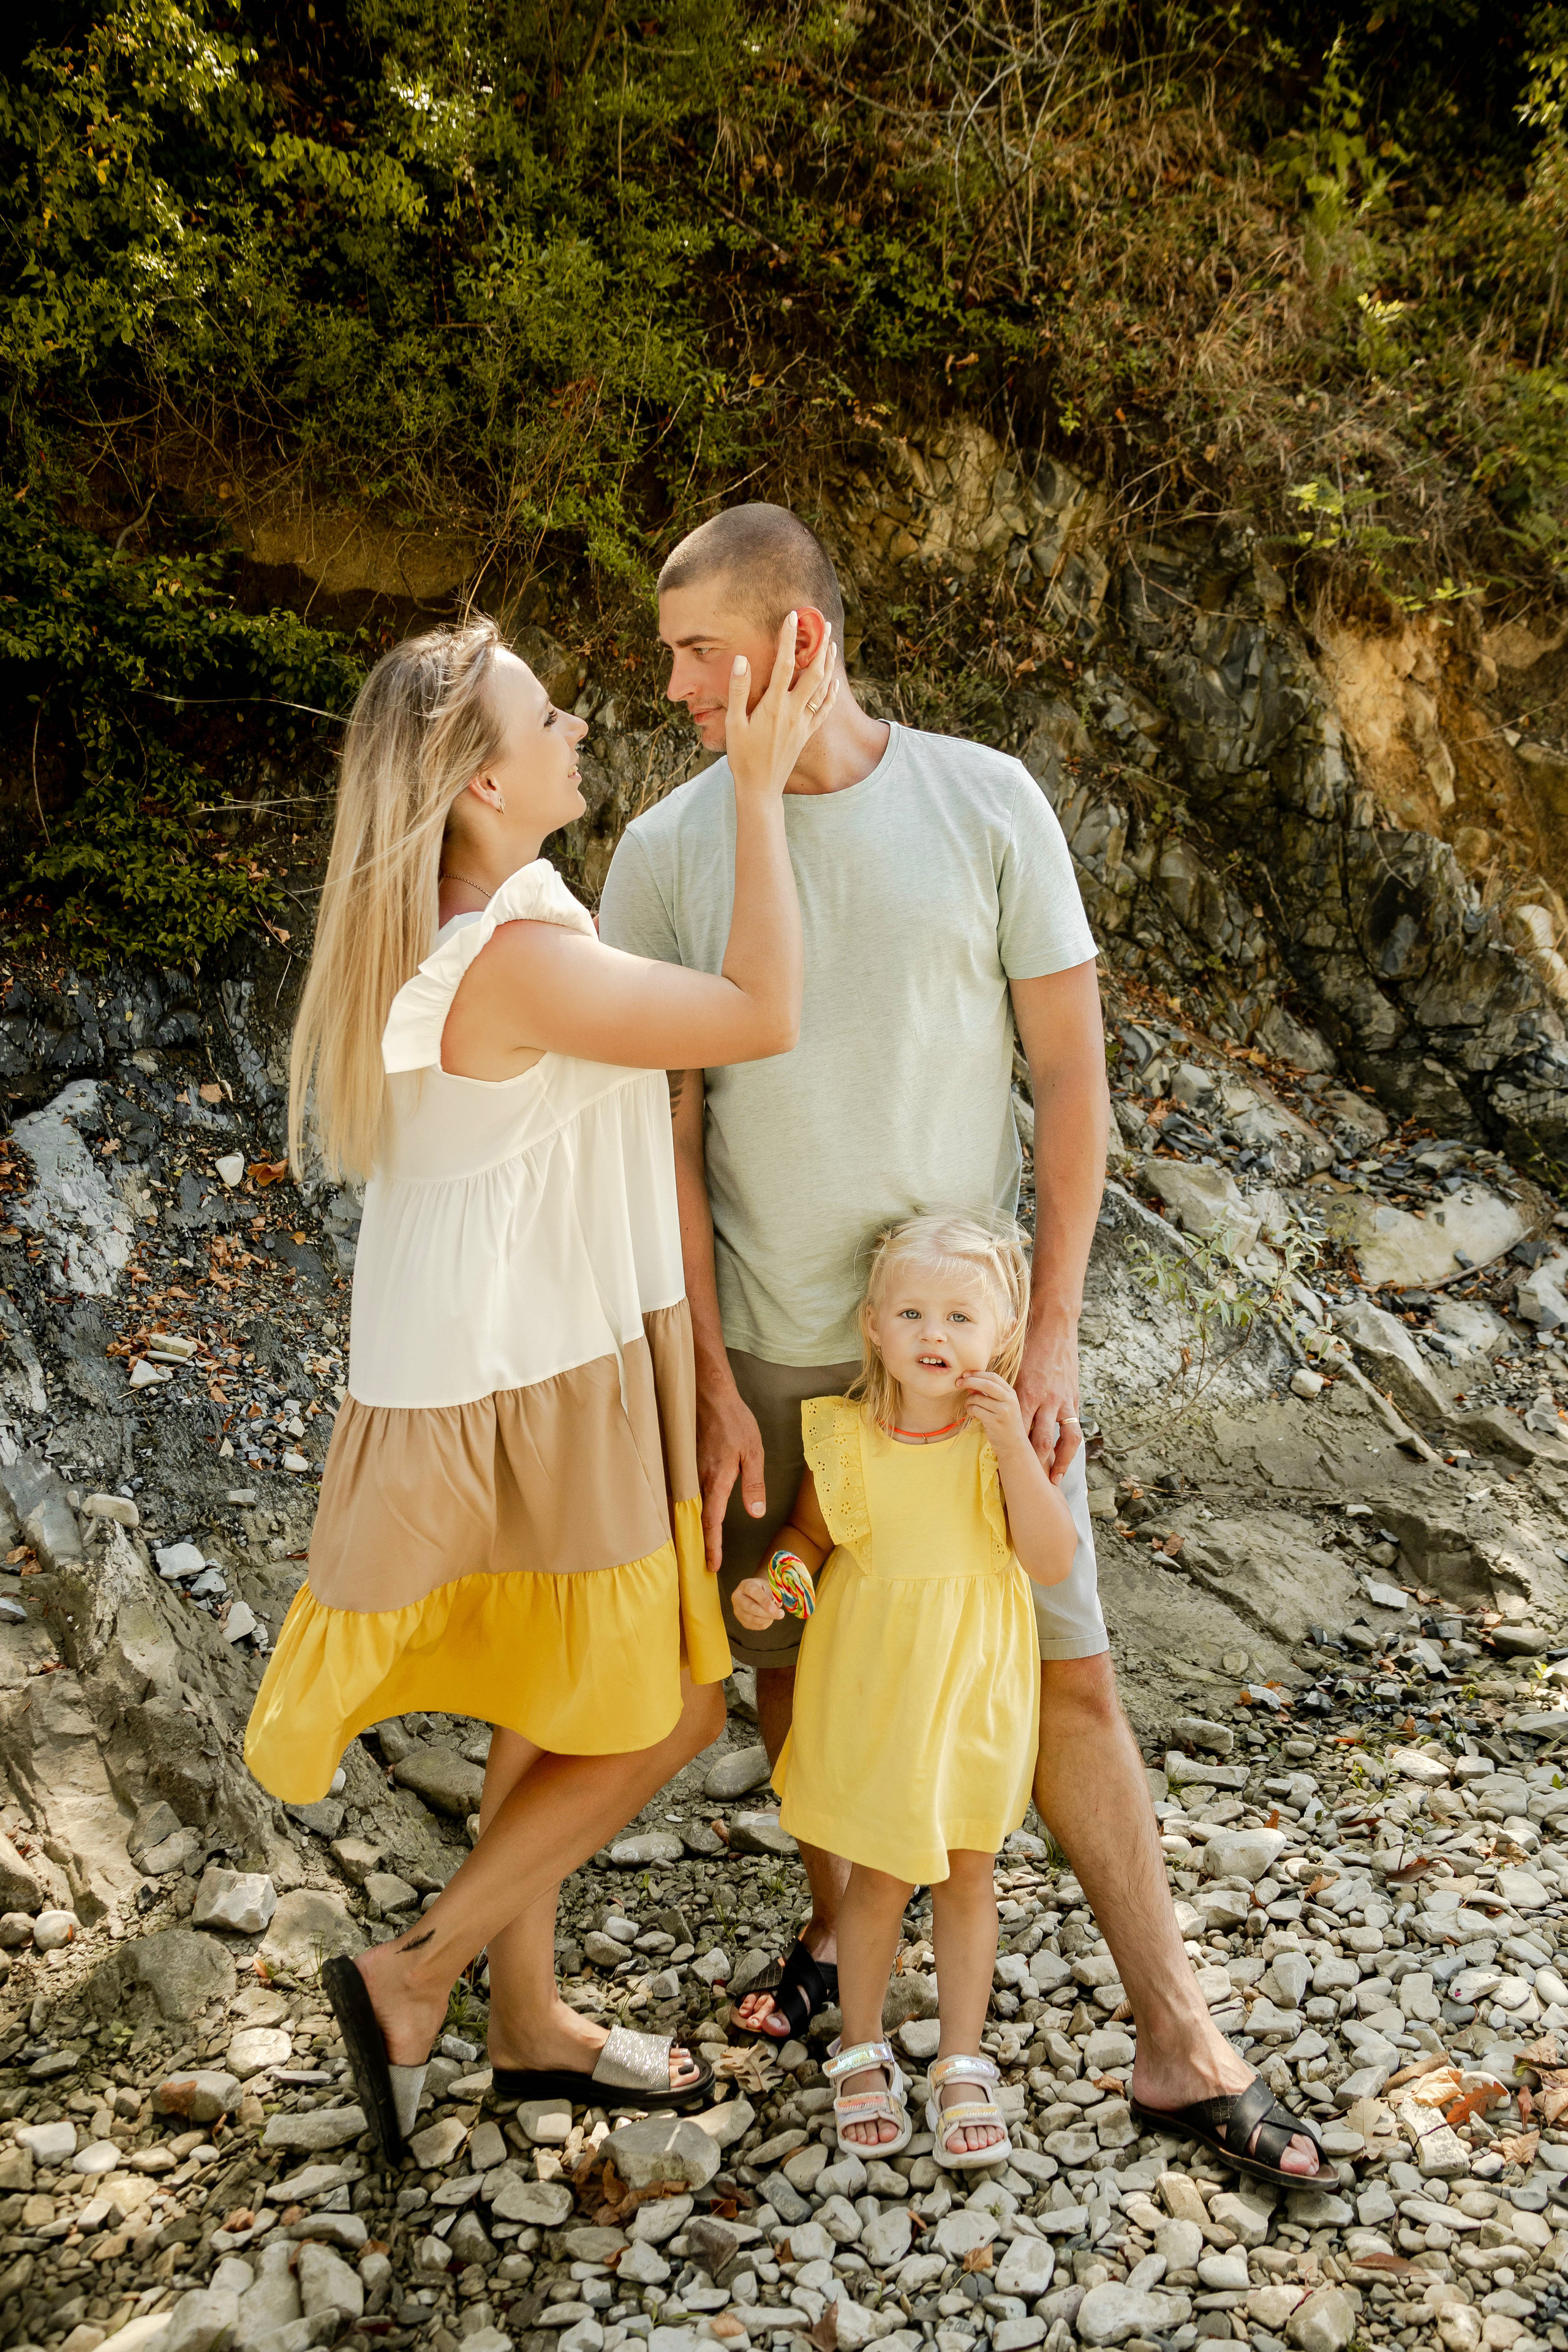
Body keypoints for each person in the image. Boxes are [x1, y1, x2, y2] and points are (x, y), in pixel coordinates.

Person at [598, 500, 1332, 2187]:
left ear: (798, 642)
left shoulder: (986, 800)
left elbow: (1071, 1081)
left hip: (976, 1365)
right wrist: (702, 1372)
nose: (678, 688)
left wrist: (1051, 1336)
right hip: (776, 1354)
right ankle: (838, 1944)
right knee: (799, 1662)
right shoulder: (664, 851)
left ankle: (1176, 2037)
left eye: (700, 654)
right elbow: (662, 1134)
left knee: (1069, 1666)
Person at [243, 605, 839, 2161]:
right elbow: (761, 1015)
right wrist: (758, 789)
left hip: (532, 1358)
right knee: (673, 1706)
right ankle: (416, 1972)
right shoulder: (505, 959)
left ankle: (524, 2022)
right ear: (485, 786)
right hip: (522, 1380)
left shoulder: (504, 912)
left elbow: (626, 1139)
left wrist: (693, 1373)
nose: (580, 727)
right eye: (550, 716)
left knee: (546, 1689)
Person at [732, 1214, 1077, 2166]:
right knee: (879, 1874)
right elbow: (810, 1539)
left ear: (1002, 1337)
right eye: (914, 1313)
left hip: (971, 1691)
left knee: (969, 1868)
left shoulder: (1001, 1445)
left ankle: (962, 2058)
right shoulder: (847, 1439)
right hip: (877, 1687)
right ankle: (861, 2045)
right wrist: (775, 1586)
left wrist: (1014, 1447)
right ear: (873, 1327)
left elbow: (1051, 1560)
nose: (936, 1334)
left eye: (962, 1317)